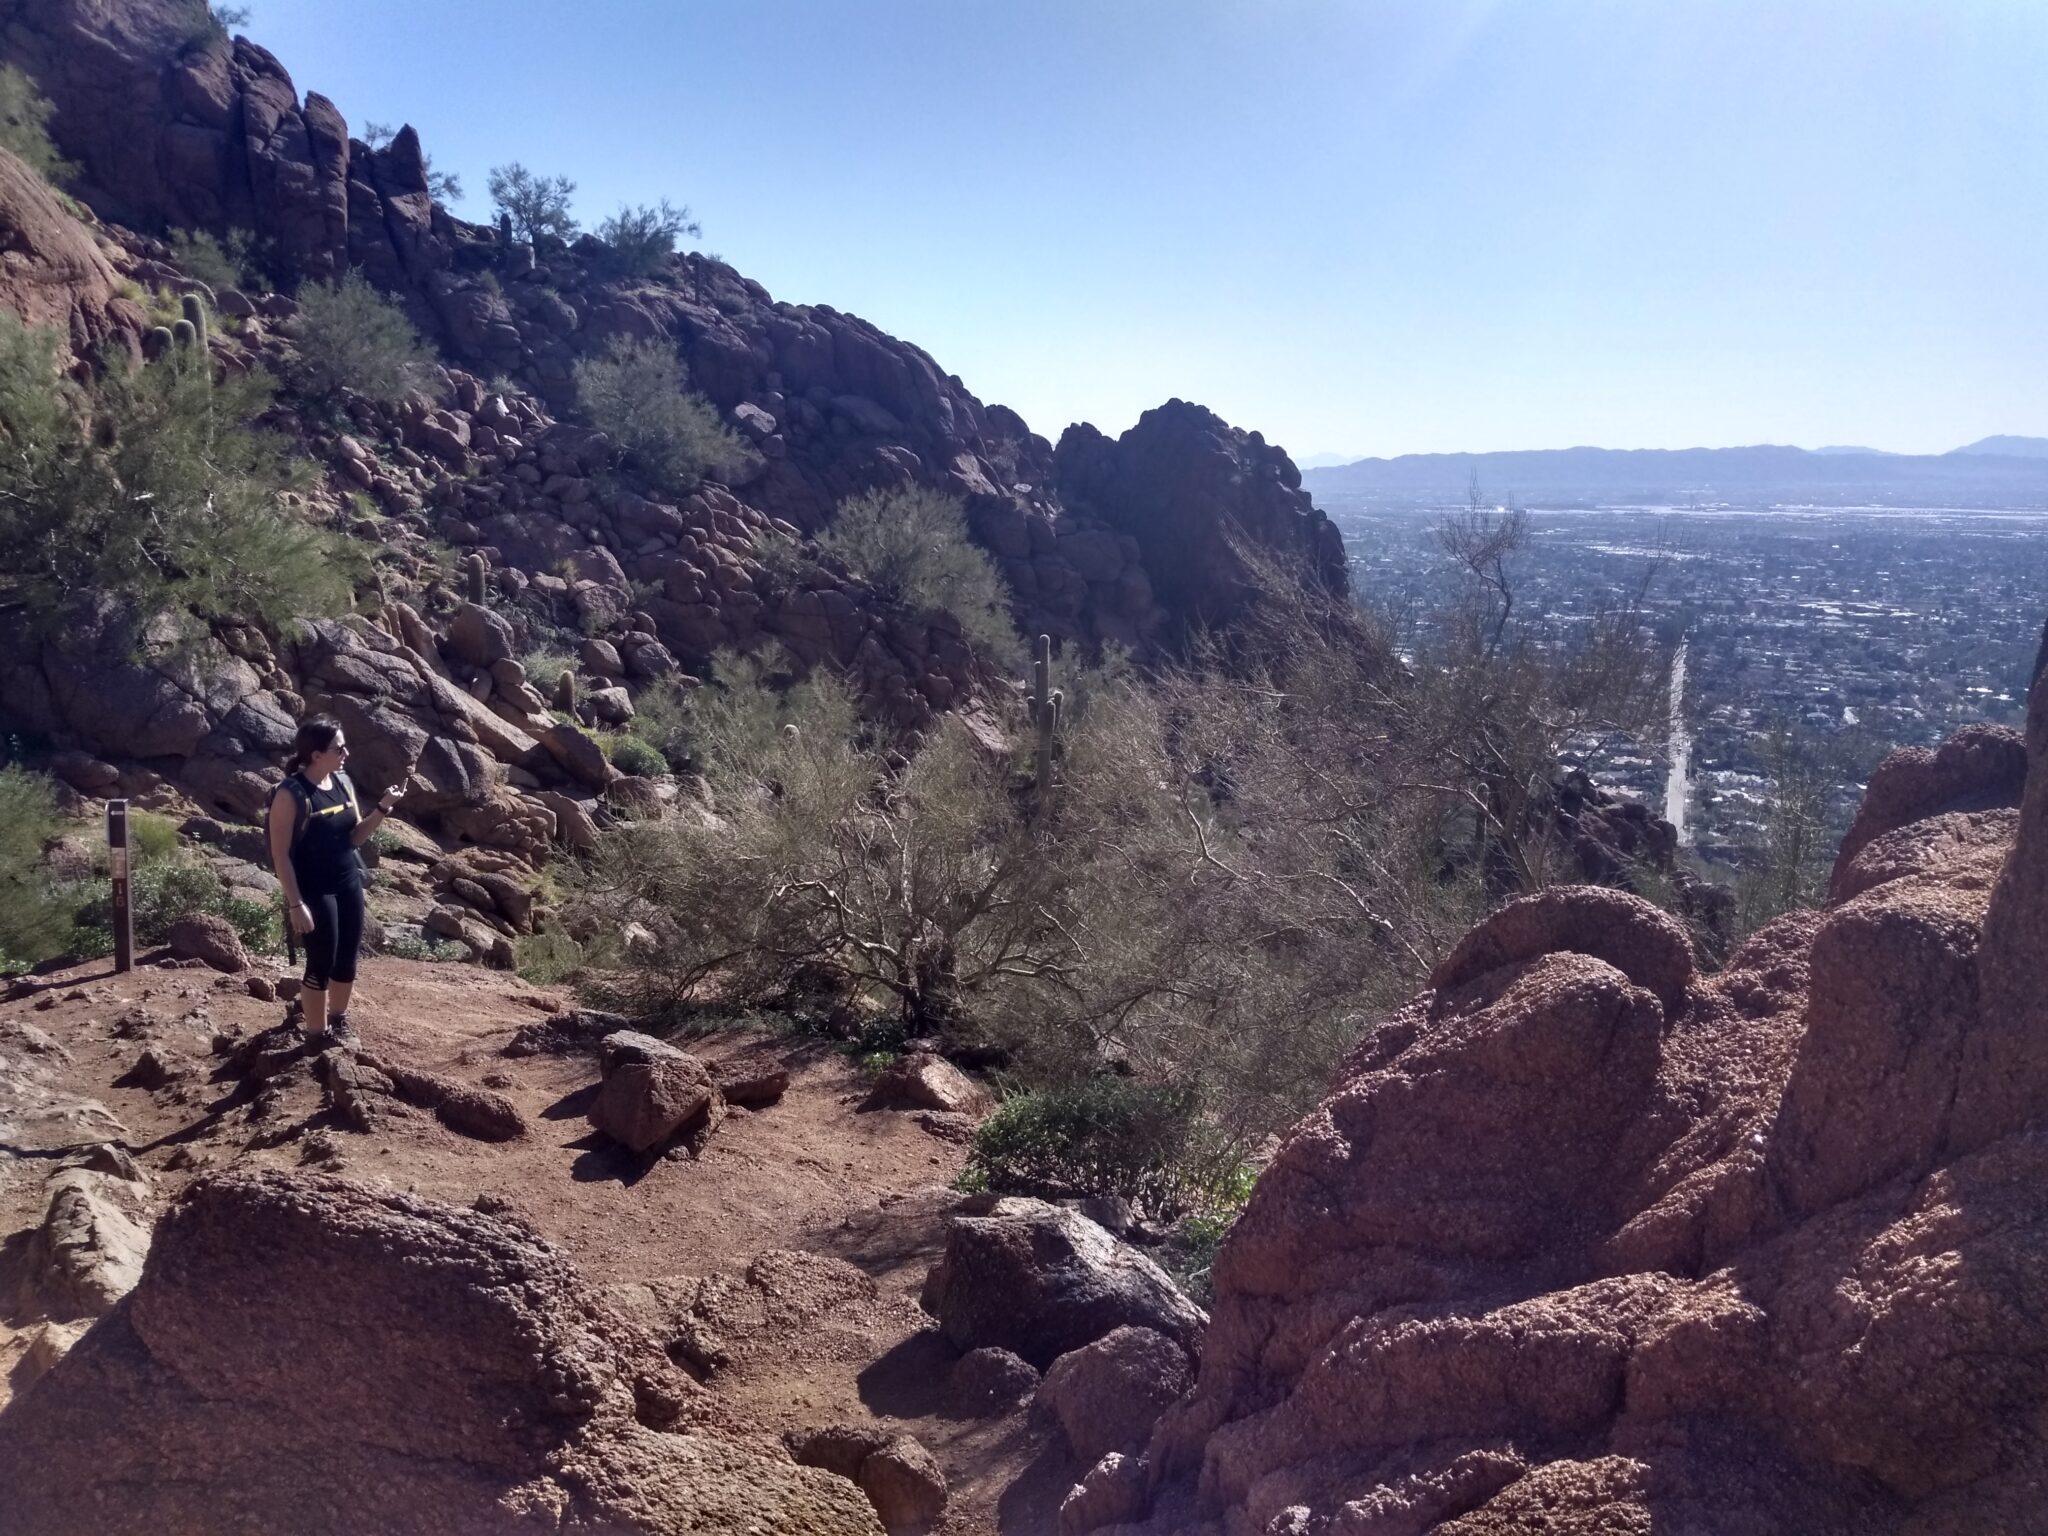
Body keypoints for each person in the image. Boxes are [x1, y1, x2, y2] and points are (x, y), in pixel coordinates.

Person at [266, 716, 405, 1047]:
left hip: (347, 882)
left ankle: (338, 1020)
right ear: (316, 755)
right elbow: (280, 855)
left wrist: (382, 808)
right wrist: (296, 903)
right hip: (313, 889)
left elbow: (354, 838)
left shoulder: (342, 782)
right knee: (321, 961)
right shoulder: (291, 793)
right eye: (339, 748)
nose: (346, 753)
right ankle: (316, 1037)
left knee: (346, 959)